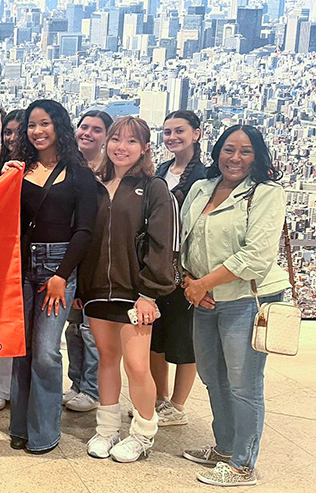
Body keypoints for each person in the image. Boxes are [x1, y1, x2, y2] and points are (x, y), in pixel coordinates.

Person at [180, 125, 289, 487]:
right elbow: (185, 242)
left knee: (243, 383)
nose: (235, 158)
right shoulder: (202, 188)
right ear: (217, 152)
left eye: (245, 151)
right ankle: (225, 447)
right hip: (204, 297)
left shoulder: (266, 194)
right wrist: (188, 282)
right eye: (229, 149)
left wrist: (203, 284)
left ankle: (244, 463)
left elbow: (256, 256)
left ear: (257, 155)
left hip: (247, 300)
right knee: (213, 378)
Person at [0, 100, 98, 452]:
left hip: (58, 267)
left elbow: (84, 230)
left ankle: (45, 431)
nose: (37, 131)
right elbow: (0, 213)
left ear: (59, 127)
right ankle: (20, 428)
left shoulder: (79, 173)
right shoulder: (18, 170)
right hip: (21, 265)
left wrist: (62, 275)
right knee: (20, 350)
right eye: (32, 126)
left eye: (45, 124)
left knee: (46, 352)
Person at [78, 116, 178, 463]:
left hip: (135, 293)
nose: (122, 147)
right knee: (106, 360)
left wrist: (150, 292)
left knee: (137, 365)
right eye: (116, 139)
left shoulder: (153, 188)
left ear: (145, 148)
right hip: (96, 290)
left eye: (132, 141)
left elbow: (162, 243)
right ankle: (107, 429)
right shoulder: (93, 184)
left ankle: (143, 432)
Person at [149, 110, 208, 426]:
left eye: (179, 131)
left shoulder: (206, 175)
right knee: (154, 336)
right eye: (167, 131)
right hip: (158, 267)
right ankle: (160, 399)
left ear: (196, 133)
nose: (172, 137)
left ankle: (178, 405)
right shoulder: (160, 170)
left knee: (185, 338)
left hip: (187, 269)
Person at [63, 110, 113, 413]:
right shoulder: (69, 167)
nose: (88, 134)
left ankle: (92, 389)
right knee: (72, 328)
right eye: (84, 127)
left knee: (91, 329)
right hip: (69, 256)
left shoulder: (109, 173)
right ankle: (76, 383)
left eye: (97, 129)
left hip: (95, 257)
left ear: (106, 137)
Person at [0, 108, 28, 412]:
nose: (11, 137)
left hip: (34, 254)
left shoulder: (47, 169)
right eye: (8, 132)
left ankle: (25, 386)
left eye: (16, 131)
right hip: (1, 252)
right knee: (2, 319)